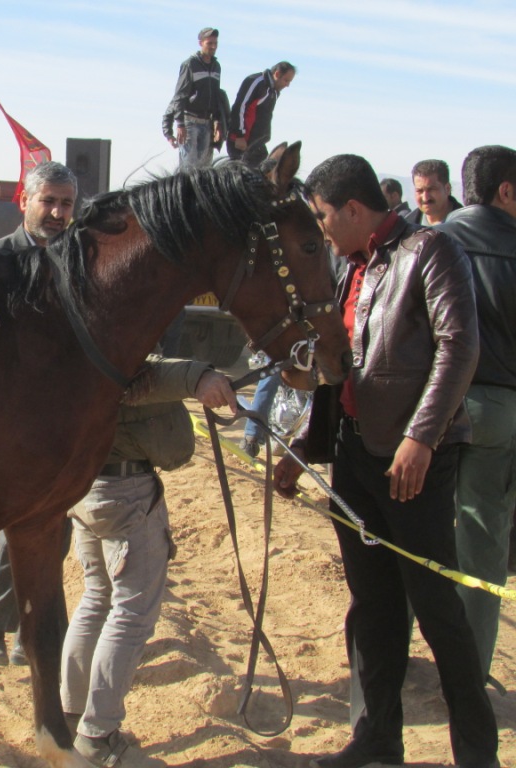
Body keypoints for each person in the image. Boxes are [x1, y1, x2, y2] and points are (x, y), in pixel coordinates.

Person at [274, 154, 498, 768]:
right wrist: (300, 444)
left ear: (352, 208)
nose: (320, 230)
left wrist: (421, 438)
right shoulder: (351, 268)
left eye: (322, 217)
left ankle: (476, 753)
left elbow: (460, 347)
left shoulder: (433, 251)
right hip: (355, 457)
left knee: (437, 611)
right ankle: (378, 739)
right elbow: (336, 364)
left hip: (415, 467)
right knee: (371, 608)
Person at [62, 357, 237, 767]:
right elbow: (141, 373)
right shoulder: (112, 336)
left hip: (85, 484)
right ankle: (98, 736)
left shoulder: (73, 331)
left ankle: (70, 716)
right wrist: (199, 377)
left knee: (97, 600)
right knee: (131, 614)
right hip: (126, 492)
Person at [0, 161, 78, 666]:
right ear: (24, 201)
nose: (57, 212)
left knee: (53, 529)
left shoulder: (81, 264)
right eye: (48, 201)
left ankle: (22, 631)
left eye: (66, 204)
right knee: (25, 520)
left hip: (60, 420)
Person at [436, 144, 516, 686]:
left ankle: (398, 656)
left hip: (432, 409)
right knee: (483, 544)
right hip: (501, 410)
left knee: (415, 535)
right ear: (506, 191)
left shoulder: (431, 243)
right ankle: (466, 675)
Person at [161, 27, 226, 170]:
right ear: (201, 43)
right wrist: (179, 124)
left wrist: (217, 121)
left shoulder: (216, 67)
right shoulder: (190, 64)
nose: (213, 47)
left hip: (207, 123)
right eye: (210, 43)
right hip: (190, 122)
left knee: (205, 170)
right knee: (189, 169)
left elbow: (215, 95)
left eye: (215, 43)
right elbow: (180, 95)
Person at [225, 62, 296, 167]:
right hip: (241, 142)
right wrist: (239, 136)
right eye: (286, 80)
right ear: (277, 74)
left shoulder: (274, 91)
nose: (287, 85)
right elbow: (240, 107)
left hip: (257, 144)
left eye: (290, 82)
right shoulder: (257, 82)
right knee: (242, 178)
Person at [403, 159, 461, 226]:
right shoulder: (406, 227)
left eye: (431, 189)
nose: (425, 198)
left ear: (447, 189)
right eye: (420, 191)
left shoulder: (467, 226)